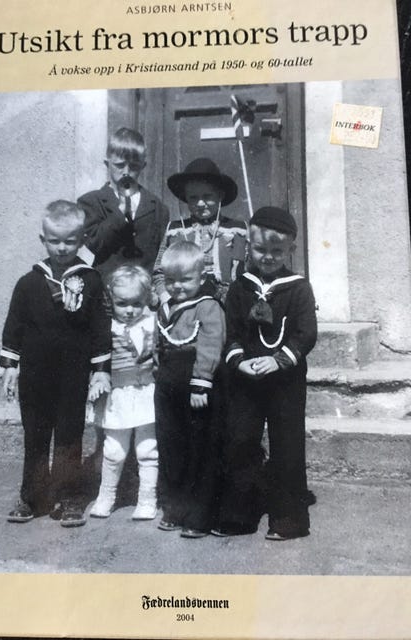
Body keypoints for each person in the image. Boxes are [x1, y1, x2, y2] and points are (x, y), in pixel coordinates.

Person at [0, 200, 111, 527]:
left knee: (68, 436)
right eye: (55, 241)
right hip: (35, 375)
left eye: (70, 241)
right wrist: (10, 366)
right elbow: (14, 325)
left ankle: (69, 496)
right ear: (43, 240)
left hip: (72, 375)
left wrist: (100, 372)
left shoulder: (91, 281)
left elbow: (100, 328)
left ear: (81, 241)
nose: (62, 248)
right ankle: (32, 496)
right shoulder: (28, 283)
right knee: (35, 435)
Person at [213, 206, 317, 540]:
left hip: (285, 379)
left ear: (291, 250)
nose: (268, 257)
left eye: (277, 251)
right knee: (241, 440)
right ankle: (239, 513)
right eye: (260, 249)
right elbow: (231, 332)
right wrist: (238, 360)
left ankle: (289, 518)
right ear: (249, 247)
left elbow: (306, 334)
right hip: (246, 378)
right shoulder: (240, 288)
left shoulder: (299, 288)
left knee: (287, 444)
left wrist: (279, 360)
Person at [154, 241, 226, 538]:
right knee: (171, 445)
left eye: (185, 280)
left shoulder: (207, 306)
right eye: (171, 280)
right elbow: (159, 342)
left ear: (202, 277)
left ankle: (199, 514)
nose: (178, 287)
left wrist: (201, 383)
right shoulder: (166, 307)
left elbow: (211, 345)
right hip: (168, 383)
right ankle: (175, 507)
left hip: (196, 385)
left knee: (198, 447)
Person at [88, 265, 158, 520]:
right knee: (114, 451)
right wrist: (96, 379)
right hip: (118, 396)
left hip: (147, 394)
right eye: (122, 303)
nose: (129, 310)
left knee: (147, 449)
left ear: (146, 299)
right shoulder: (107, 328)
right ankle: (106, 496)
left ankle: (147, 499)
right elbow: (97, 360)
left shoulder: (153, 324)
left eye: (136, 303)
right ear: (111, 300)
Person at [77, 127, 169, 281]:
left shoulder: (157, 206)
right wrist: (118, 216)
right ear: (107, 164)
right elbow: (95, 244)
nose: (126, 171)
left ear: (143, 166)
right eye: (119, 165)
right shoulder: (91, 202)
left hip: (145, 288)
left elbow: (161, 254)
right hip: (107, 287)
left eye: (134, 166)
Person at [154, 157, 248, 305]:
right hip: (183, 303)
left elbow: (247, 271)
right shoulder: (175, 230)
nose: (200, 203)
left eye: (207, 196)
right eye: (193, 197)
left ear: (220, 196)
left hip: (228, 304)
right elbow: (159, 271)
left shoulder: (237, 230)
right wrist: (166, 299)